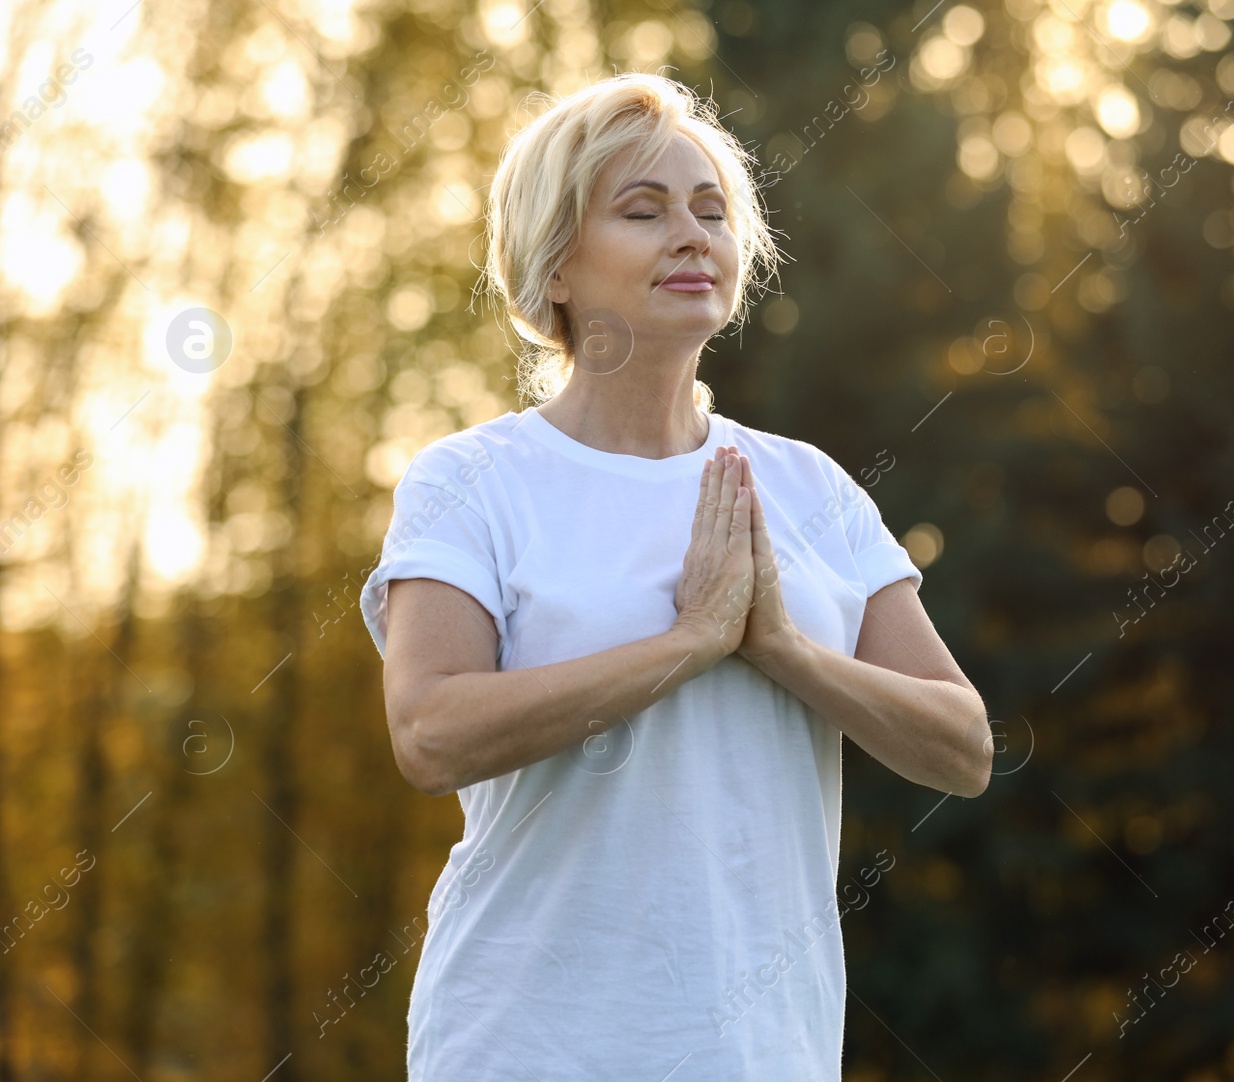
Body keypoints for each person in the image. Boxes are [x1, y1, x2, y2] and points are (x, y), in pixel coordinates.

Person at [358, 71, 990, 1081]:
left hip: (765, 1049)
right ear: (554, 266)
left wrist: (776, 646)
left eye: (711, 211)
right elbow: (431, 731)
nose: (692, 235)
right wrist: (687, 643)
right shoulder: (471, 480)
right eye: (642, 211)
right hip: (525, 1046)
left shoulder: (810, 486)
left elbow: (962, 744)